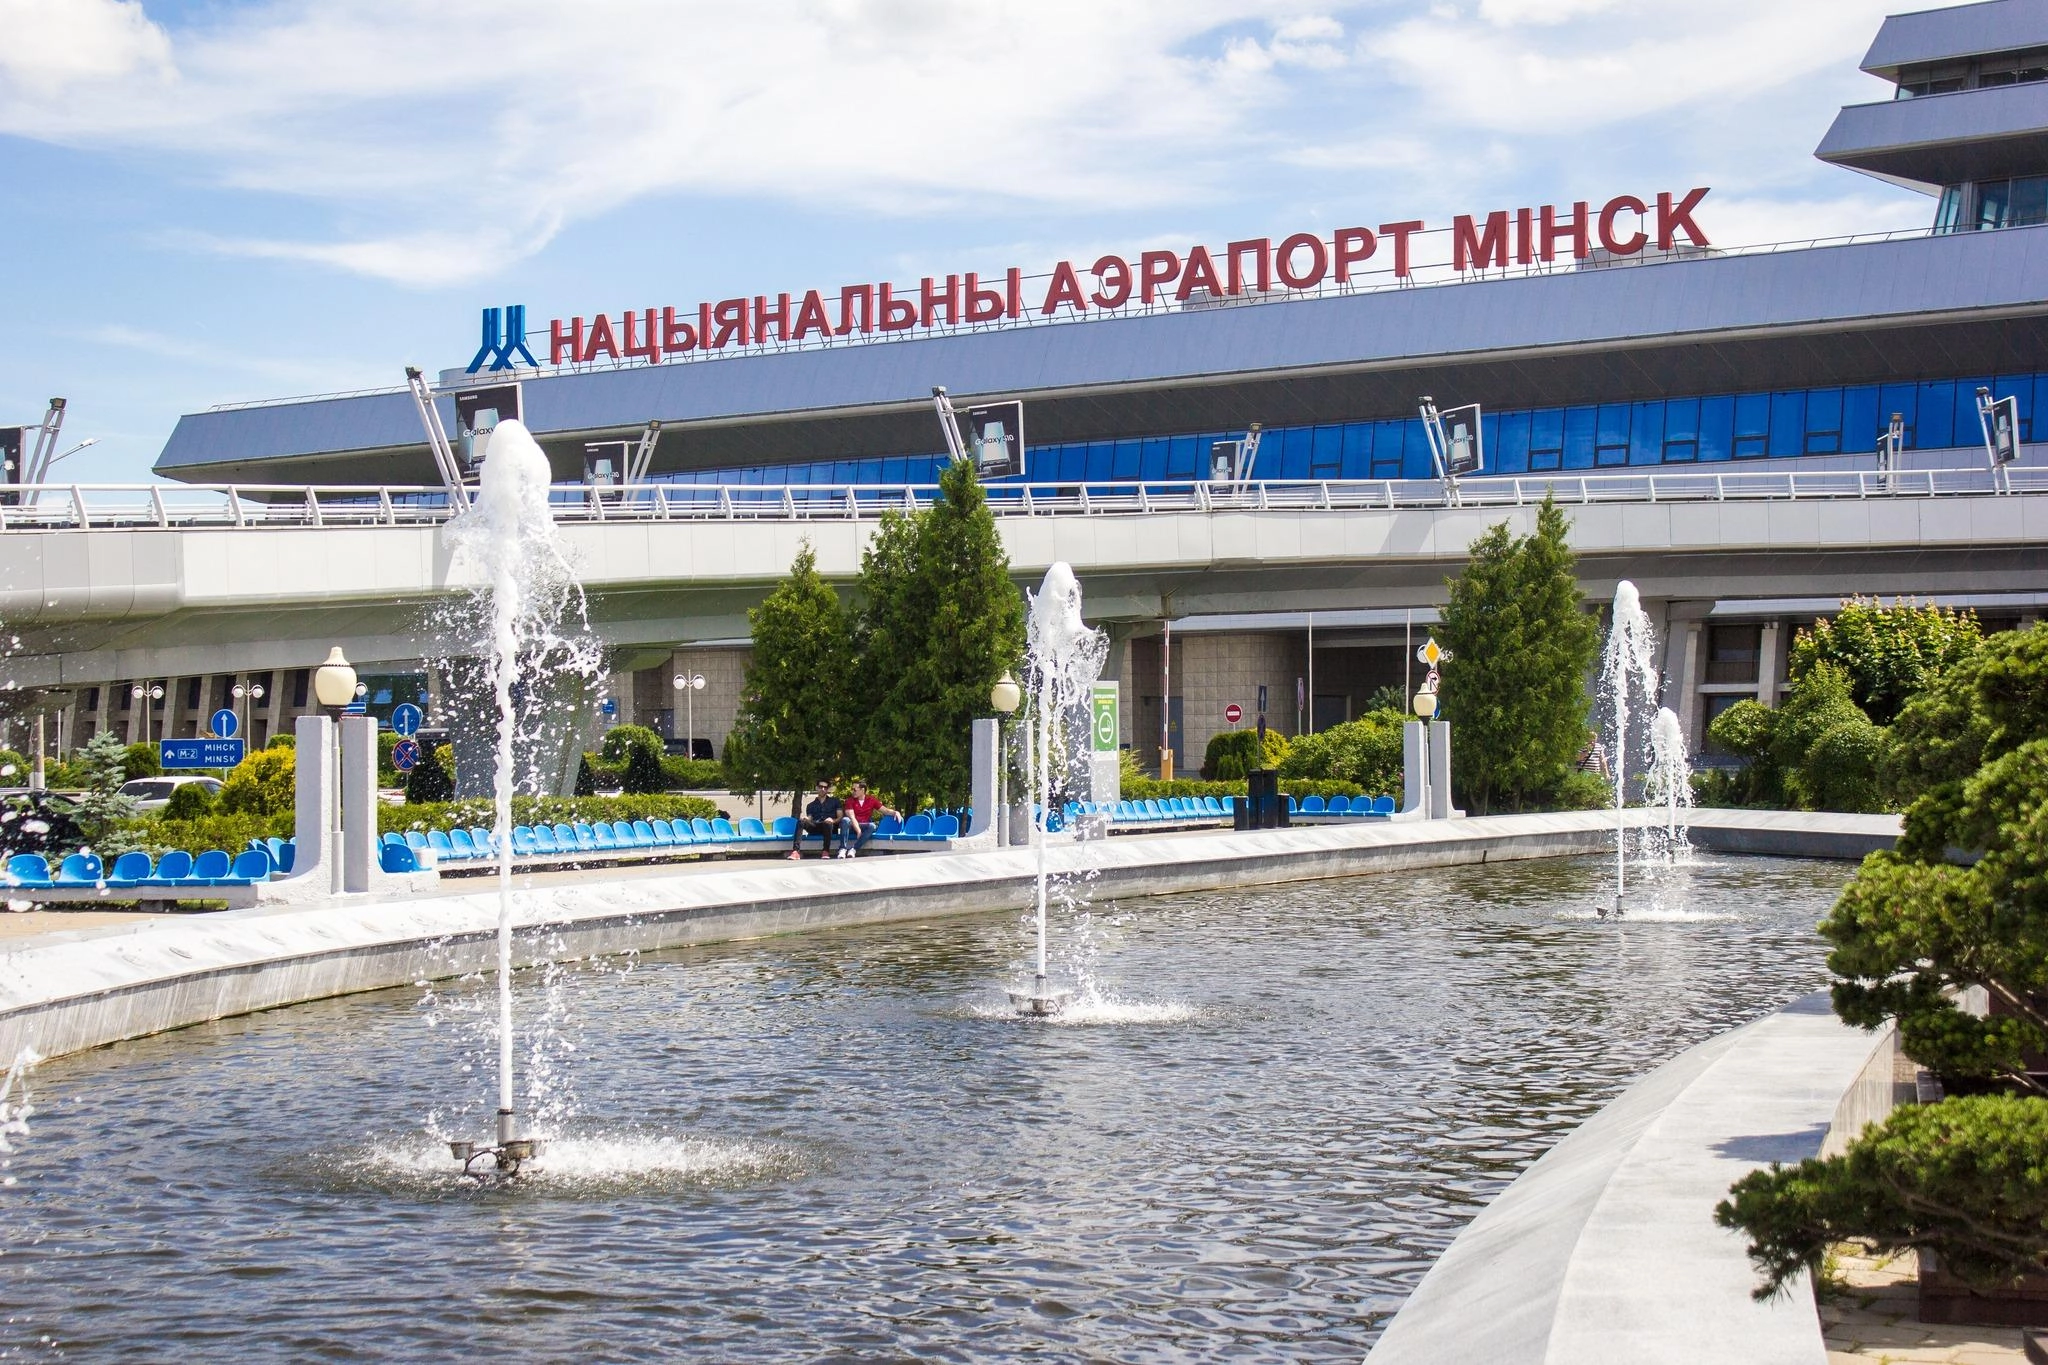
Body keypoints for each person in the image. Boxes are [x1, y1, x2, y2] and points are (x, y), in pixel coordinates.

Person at [834, 779, 898, 858]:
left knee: (872, 826)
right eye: (852, 789)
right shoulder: (849, 801)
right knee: (845, 820)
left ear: (862, 790)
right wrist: (858, 830)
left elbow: (885, 811)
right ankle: (842, 849)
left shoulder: (871, 800)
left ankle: (854, 849)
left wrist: (895, 812)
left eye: (855, 790)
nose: (852, 791)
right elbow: (852, 817)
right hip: (852, 826)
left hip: (863, 826)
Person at [790, 779, 843, 859]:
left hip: (829, 827)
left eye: (825, 787)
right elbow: (810, 817)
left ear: (827, 789)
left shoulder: (835, 801)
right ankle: (795, 851)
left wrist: (833, 820)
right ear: (816, 788)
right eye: (820, 787)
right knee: (801, 821)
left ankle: (825, 851)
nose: (823, 789)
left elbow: (840, 817)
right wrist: (806, 819)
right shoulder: (811, 805)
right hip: (816, 826)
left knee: (827, 823)